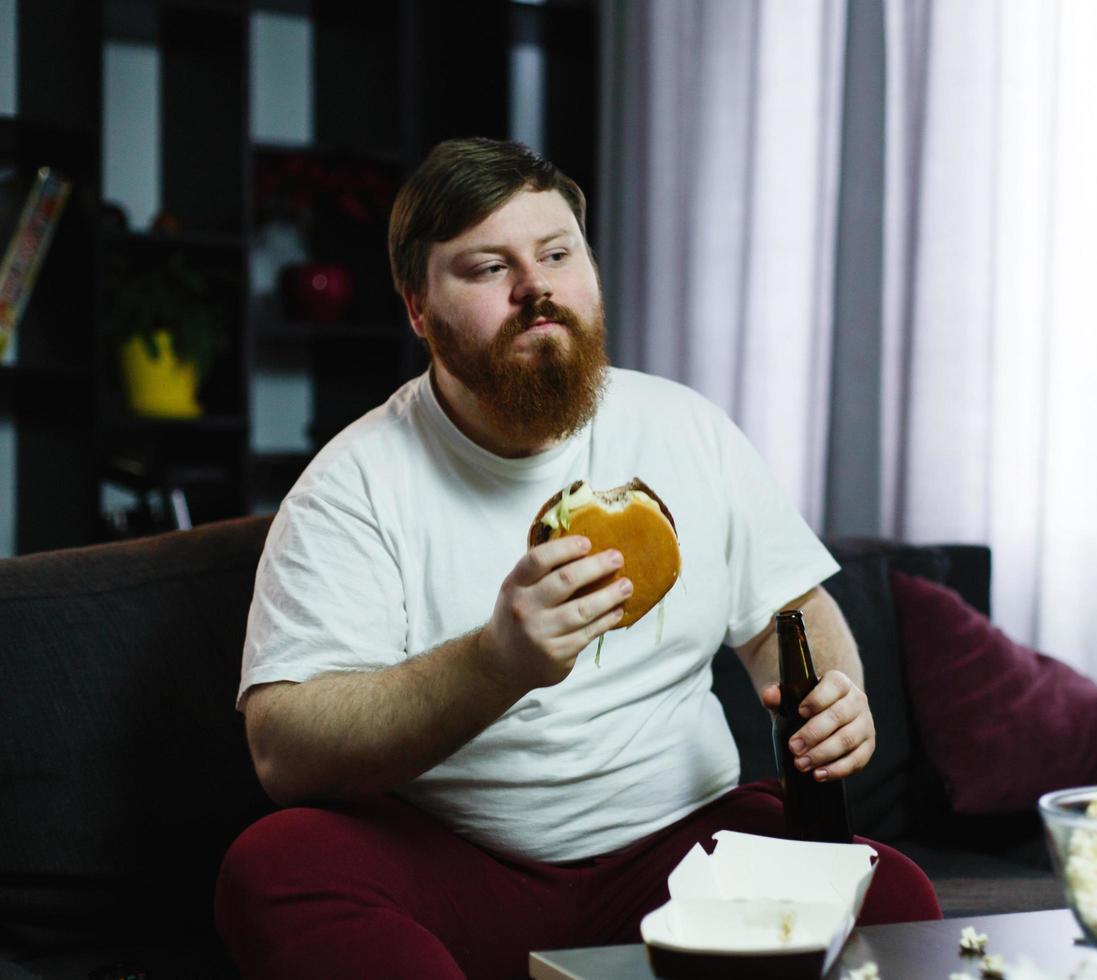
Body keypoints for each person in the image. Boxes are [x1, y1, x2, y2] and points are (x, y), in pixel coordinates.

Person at [214, 137, 941, 979]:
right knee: (273, 867)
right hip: (459, 866)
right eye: (488, 268)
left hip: (685, 860)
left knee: (896, 897)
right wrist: (496, 662)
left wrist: (835, 698)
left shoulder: (685, 428)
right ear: (418, 308)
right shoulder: (353, 485)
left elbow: (793, 614)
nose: (536, 288)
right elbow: (284, 750)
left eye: (557, 254)